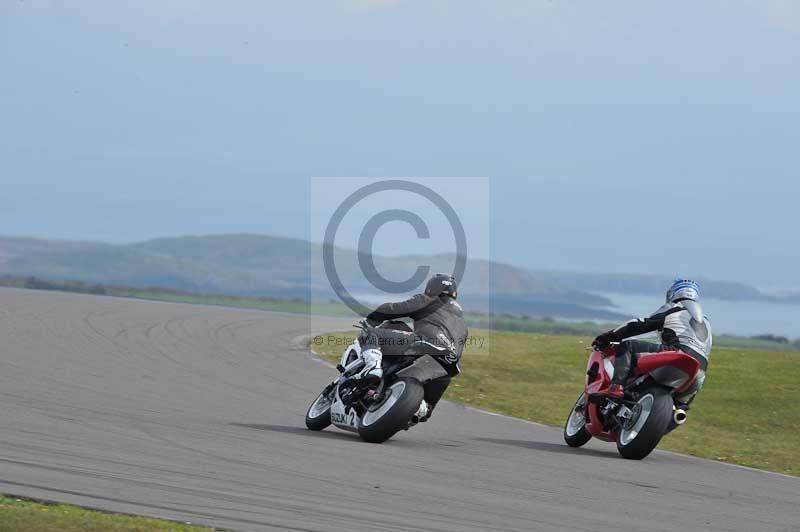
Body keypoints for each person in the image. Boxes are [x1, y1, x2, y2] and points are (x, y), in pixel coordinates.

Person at [355, 273, 468, 422]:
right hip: (448, 363)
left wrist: (371, 320)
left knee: (374, 334)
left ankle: (373, 367)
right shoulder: (463, 324)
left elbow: (394, 309)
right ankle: (423, 408)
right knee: (431, 399)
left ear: (432, 288)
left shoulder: (430, 300)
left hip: (425, 344)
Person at [591, 279, 712, 405]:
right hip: (700, 373)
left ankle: (615, 388)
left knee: (628, 346)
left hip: (677, 354)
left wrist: (607, 337)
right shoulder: (705, 321)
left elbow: (639, 325)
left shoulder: (674, 308)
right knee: (678, 410)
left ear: (672, 294)